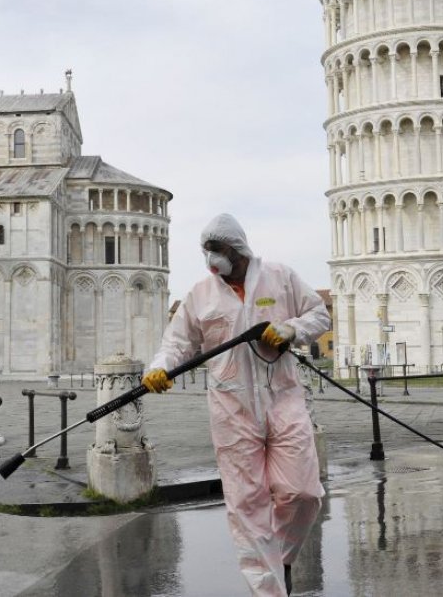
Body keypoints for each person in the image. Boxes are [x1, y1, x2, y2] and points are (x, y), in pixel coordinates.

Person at [142, 213, 330, 596]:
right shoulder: (200, 294)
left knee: (304, 493)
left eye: (218, 249)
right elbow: (176, 344)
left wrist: (292, 330)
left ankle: (279, 557)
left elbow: (319, 314)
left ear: (238, 249)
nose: (212, 258)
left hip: (283, 397)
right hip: (232, 407)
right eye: (206, 250)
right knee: (247, 506)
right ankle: (270, 589)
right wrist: (160, 368)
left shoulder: (280, 277)